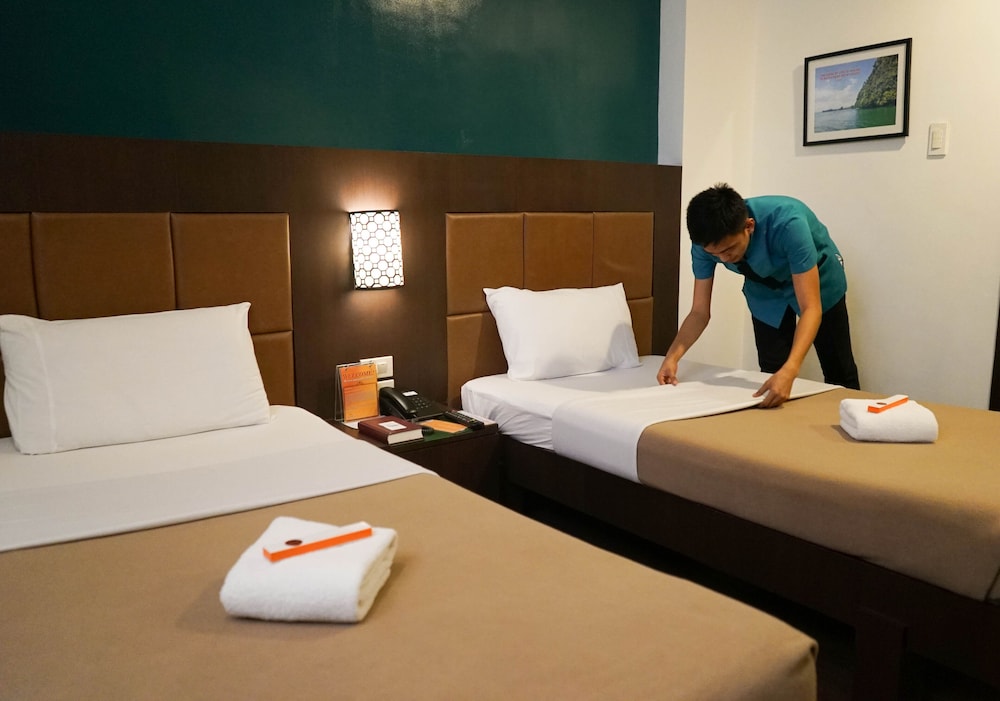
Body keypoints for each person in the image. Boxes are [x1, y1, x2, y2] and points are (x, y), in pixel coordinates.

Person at [657, 183, 860, 408]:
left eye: (729, 249)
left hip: (818, 279)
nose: (723, 258)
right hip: (764, 288)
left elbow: (811, 308)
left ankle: (852, 422)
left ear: (749, 226)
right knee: (772, 371)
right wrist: (672, 358)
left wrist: (791, 369)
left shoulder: (788, 223)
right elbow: (699, 312)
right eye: (715, 254)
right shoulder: (705, 243)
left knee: (838, 369)